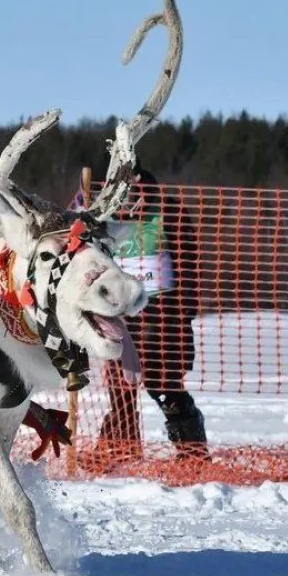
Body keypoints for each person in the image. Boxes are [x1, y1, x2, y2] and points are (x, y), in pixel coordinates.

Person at [97, 163, 209, 460]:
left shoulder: (169, 213)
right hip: (120, 314)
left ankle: (193, 452)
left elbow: (190, 265)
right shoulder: (104, 218)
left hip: (164, 313)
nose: (134, 201)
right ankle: (120, 450)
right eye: (127, 195)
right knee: (121, 385)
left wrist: (185, 314)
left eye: (138, 193)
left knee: (164, 382)